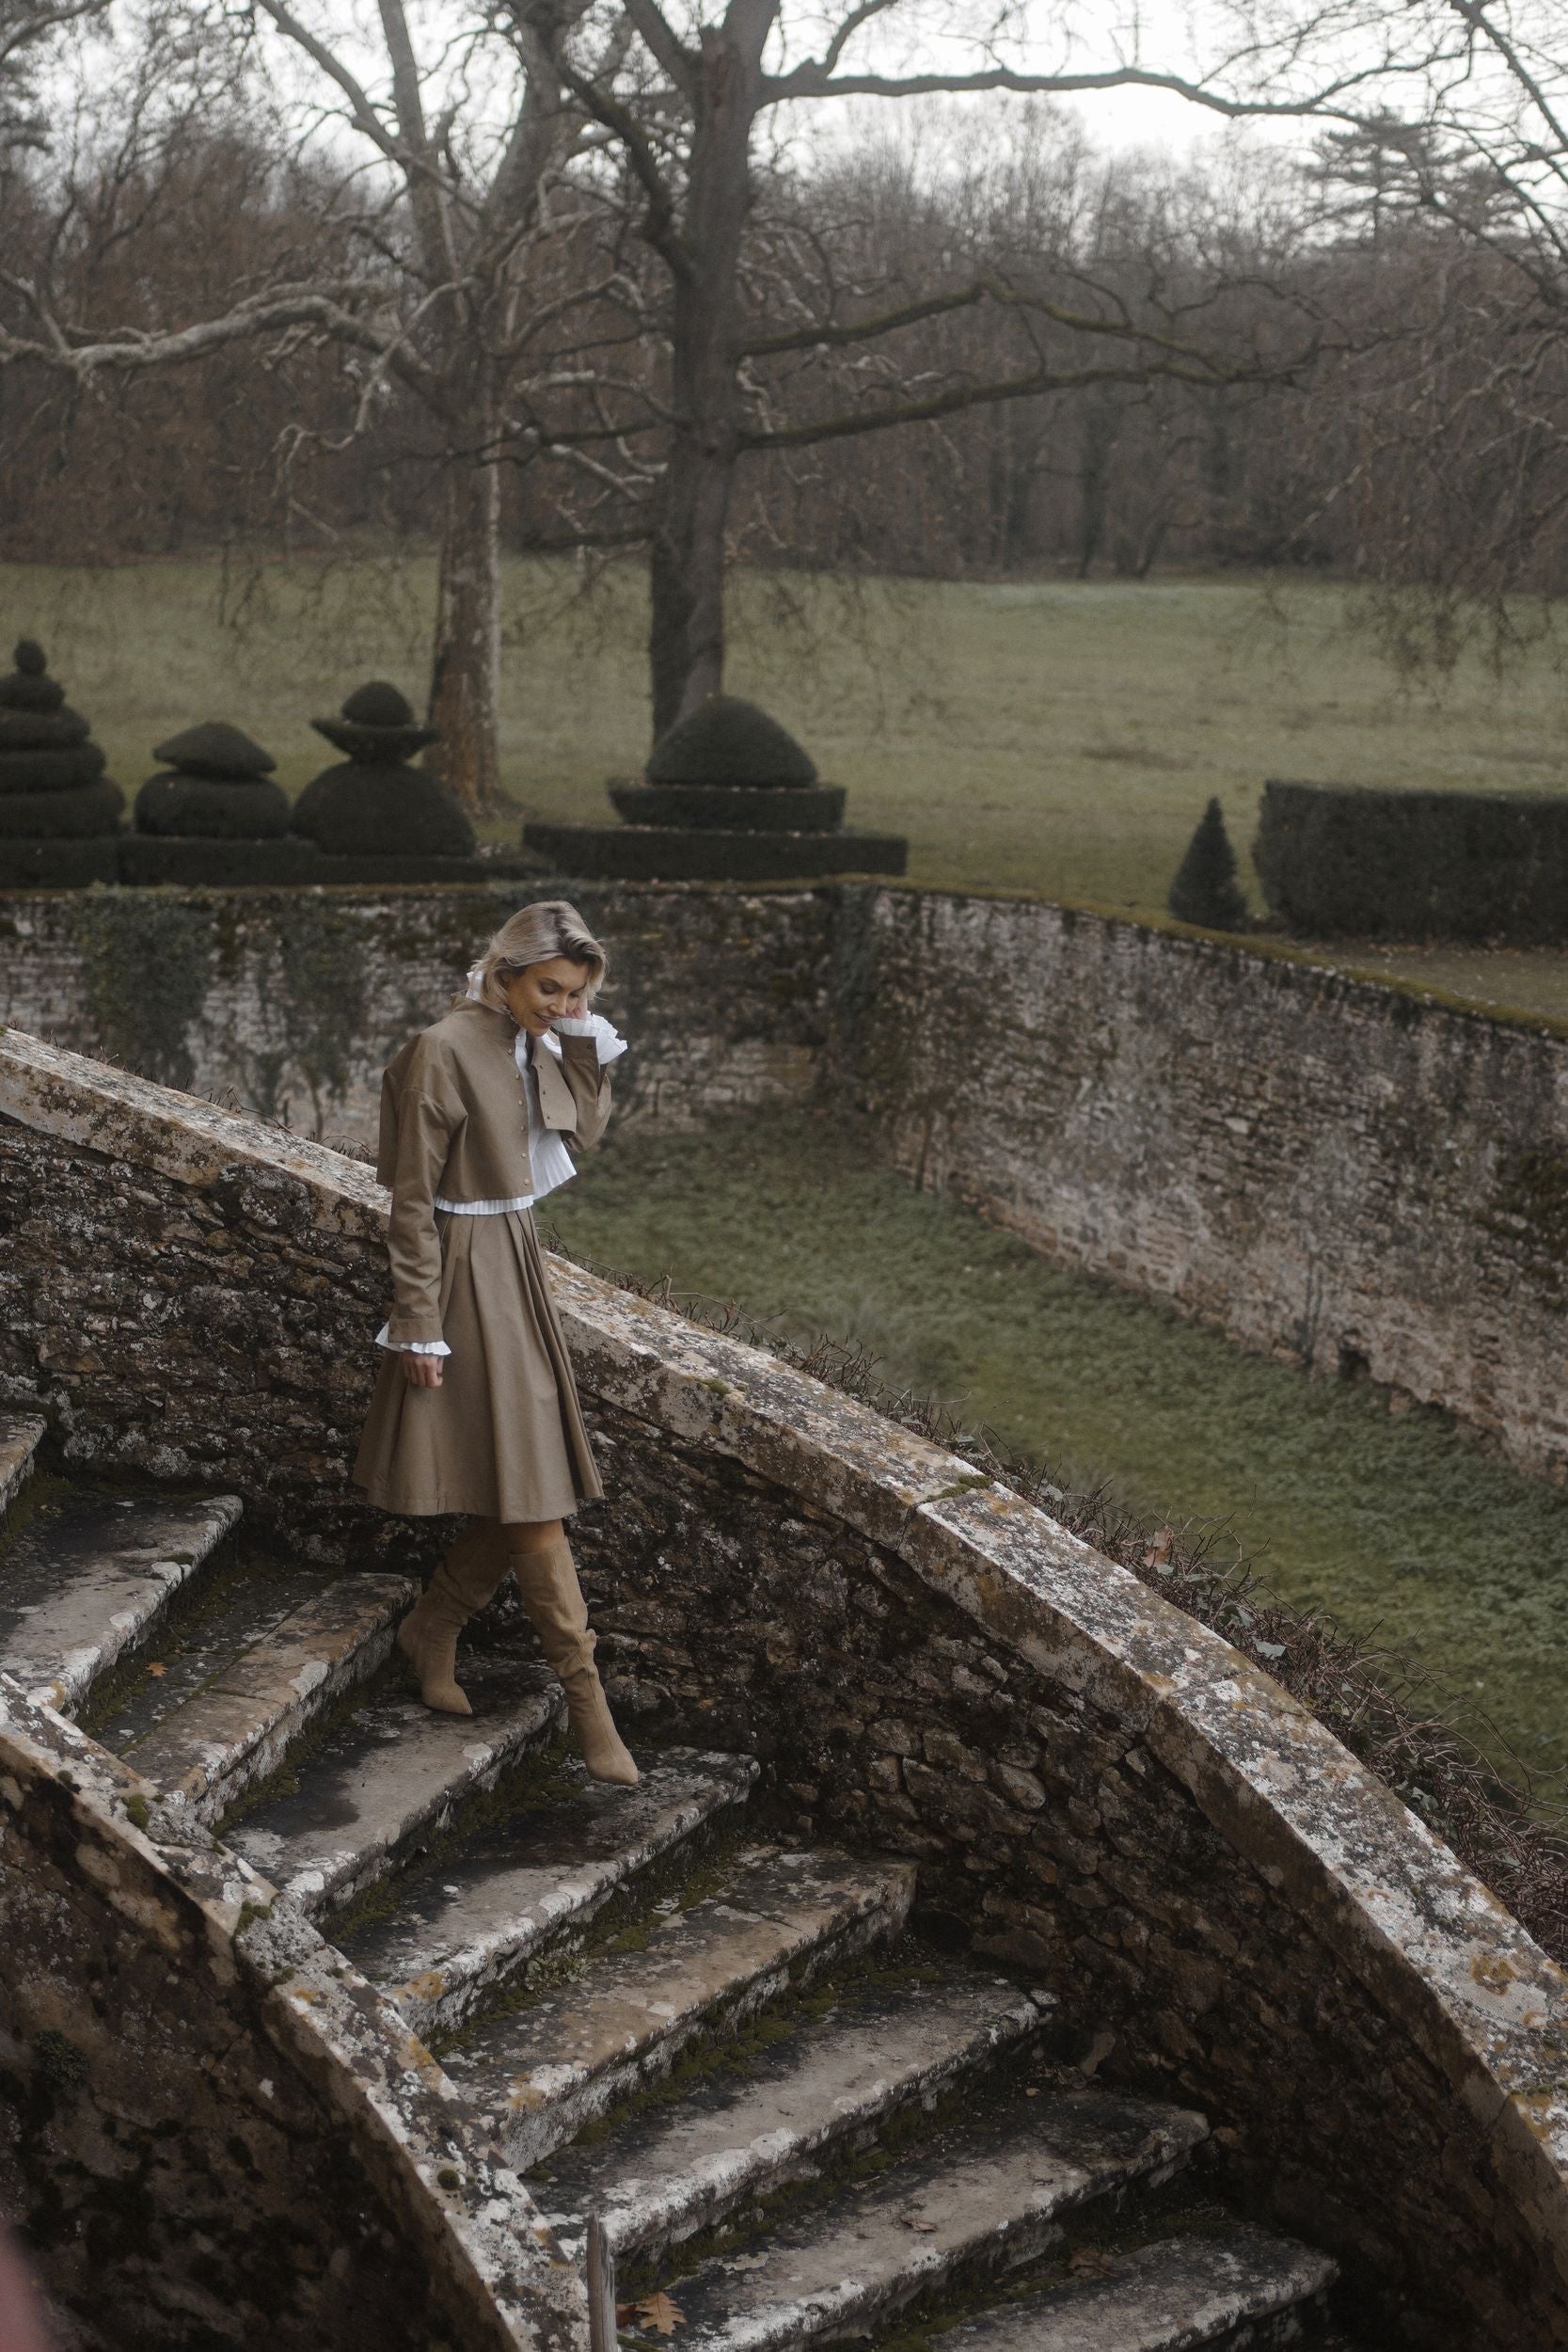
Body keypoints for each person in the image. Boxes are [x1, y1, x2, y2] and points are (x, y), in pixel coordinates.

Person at [354, 899, 637, 1785]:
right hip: (460, 1271)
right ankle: (589, 1705)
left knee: (520, 1475)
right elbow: (408, 1200)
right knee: (532, 1488)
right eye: (547, 988)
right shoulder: (441, 1049)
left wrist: (579, 1039)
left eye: (574, 993)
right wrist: (418, 1323)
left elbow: (583, 1134)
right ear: (505, 970)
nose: (558, 1004)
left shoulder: (538, 1038)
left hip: (515, 1259)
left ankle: (433, 1625)